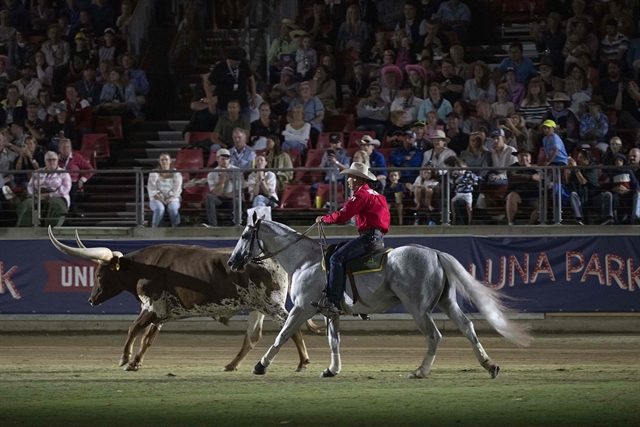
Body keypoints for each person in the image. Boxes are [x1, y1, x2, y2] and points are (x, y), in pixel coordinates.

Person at [312, 161, 390, 315]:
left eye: (350, 177)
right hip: (377, 237)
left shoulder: (361, 195)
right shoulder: (377, 195)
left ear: (358, 179)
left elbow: (343, 216)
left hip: (368, 237)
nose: (348, 180)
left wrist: (325, 218)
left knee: (336, 259)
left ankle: (332, 301)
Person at [16, 150, 71, 227]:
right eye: (49, 160)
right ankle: (24, 228)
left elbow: (66, 188)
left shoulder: (64, 173)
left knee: (55, 205)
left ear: (57, 160)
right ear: (45, 161)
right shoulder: (37, 172)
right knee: (27, 204)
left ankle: (48, 229)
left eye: (54, 159)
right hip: (38, 195)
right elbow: (30, 186)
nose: (51, 162)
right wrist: (36, 195)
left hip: (57, 196)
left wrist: (49, 195)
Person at [565, 149, 614, 225]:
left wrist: (576, 168)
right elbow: (567, 180)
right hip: (581, 197)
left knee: (608, 194)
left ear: (587, 159)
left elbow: (583, 182)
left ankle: (608, 218)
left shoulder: (593, 167)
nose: (578, 160)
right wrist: (568, 168)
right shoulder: (578, 168)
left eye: (581, 157)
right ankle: (579, 219)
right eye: (578, 157)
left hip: (593, 198)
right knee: (573, 194)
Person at [206, 47, 256, 119]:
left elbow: (251, 78)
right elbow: (207, 83)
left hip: (242, 103)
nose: (232, 62)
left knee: (245, 124)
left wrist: (253, 97)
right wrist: (211, 102)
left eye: (236, 62)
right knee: (226, 125)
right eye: (231, 60)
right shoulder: (220, 67)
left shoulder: (244, 64)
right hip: (225, 105)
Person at [505, 148, 541, 226]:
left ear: (530, 157)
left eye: (526, 155)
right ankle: (511, 224)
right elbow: (513, 177)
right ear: (517, 157)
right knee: (511, 196)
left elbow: (544, 179)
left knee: (542, 205)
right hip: (518, 194)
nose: (524, 158)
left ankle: (529, 225)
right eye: (521, 156)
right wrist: (530, 177)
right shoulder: (512, 168)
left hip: (533, 195)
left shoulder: (536, 168)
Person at [310, 133, 351, 200]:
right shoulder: (326, 153)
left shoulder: (345, 153)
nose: (335, 145)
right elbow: (320, 169)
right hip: (328, 180)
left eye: (336, 143)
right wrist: (326, 160)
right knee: (314, 187)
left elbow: (347, 168)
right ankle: (319, 205)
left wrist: (335, 161)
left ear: (340, 142)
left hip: (340, 180)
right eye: (333, 143)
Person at [204, 148, 237, 227]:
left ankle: (236, 224)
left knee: (237, 200)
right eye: (222, 159)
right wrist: (222, 181)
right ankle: (213, 224)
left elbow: (239, 190)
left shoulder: (236, 171)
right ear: (217, 159)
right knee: (209, 197)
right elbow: (215, 192)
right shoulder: (212, 173)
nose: (225, 161)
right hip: (219, 199)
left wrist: (226, 195)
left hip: (231, 198)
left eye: (227, 159)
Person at [57, 137, 93, 210]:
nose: (66, 149)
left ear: (71, 148)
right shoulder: (55, 158)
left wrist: (82, 180)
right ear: (59, 149)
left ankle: (71, 210)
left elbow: (90, 169)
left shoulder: (77, 157)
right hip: (58, 181)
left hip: (73, 182)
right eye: (63, 147)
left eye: (67, 147)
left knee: (71, 187)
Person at [147, 153, 181, 228]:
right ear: (159, 161)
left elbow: (177, 189)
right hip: (157, 198)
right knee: (160, 209)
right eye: (162, 160)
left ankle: (176, 228)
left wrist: (169, 199)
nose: (164, 161)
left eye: (166, 159)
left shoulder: (176, 173)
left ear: (170, 161)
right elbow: (152, 189)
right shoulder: (154, 173)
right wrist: (162, 200)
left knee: (173, 208)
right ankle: (155, 228)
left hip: (173, 197)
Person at [446, 156, 478, 224]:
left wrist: (472, 182)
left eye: (462, 170)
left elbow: (476, 180)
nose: (460, 171)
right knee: (452, 202)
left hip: (467, 193)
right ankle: (453, 218)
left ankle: (470, 220)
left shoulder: (469, 174)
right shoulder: (455, 175)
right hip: (458, 193)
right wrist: (455, 182)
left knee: (468, 206)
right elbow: (451, 181)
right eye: (458, 170)